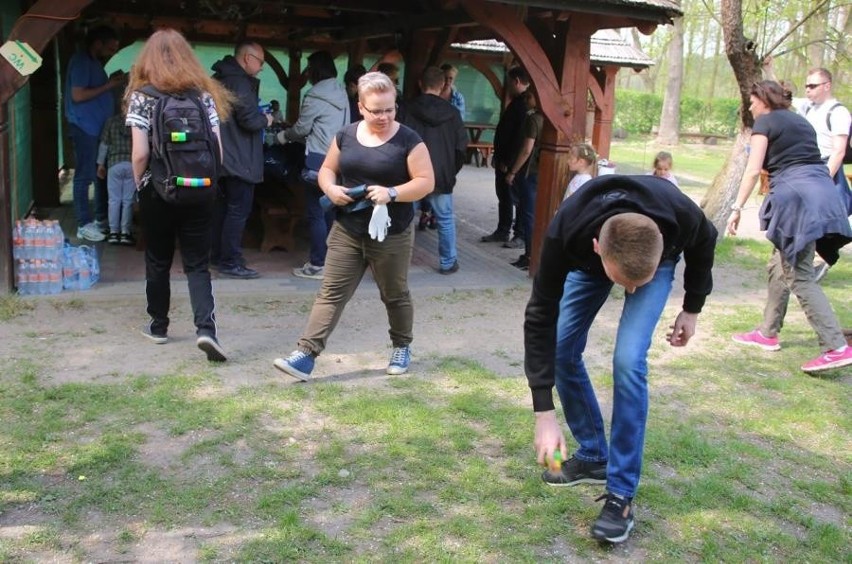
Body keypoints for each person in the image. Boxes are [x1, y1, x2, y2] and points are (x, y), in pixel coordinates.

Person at [525, 174, 717, 543]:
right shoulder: (567, 228)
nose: (630, 291)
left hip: (645, 256)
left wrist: (692, 308)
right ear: (597, 246)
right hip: (590, 261)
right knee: (561, 347)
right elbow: (539, 319)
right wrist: (544, 414)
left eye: (636, 285)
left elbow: (706, 241)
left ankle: (621, 495)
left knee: (628, 360)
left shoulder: (680, 216)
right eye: (624, 282)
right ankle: (595, 454)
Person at [273, 72, 434, 381]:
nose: (384, 116)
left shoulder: (409, 140)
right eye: (376, 110)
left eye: (390, 109)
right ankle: (305, 355)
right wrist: (331, 190)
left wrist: (393, 192)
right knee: (330, 293)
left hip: (392, 232)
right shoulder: (345, 135)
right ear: (361, 106)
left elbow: (426, 182)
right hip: (348, 229)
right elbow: (327, 170)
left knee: (395, 294)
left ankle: (402, 346)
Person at [727, 80, 852, 373]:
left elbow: (753, 170)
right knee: (779, 265)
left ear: (764, 100)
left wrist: (736, 208)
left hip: (797, 200)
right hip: (823, 194)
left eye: (752, 100)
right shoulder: (801, 121)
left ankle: (836, 347)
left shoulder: (765, 123)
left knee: (800, 275)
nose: (749, 106)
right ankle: (767, 333)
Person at [125, 28, 233, 362]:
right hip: (201, 189)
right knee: (198, 264)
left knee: (157, 259)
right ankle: (206, 330)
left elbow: (140, 153)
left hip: (158, 191)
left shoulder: (142, 95)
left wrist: (139, 183)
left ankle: (158, 325)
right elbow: (219, 152)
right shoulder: (204, 95)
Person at [276, 50, 350, 280]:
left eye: (309, 69)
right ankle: (332, 262)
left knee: (316, 213)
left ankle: (318, 264)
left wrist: (282, 137)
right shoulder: (341, 92)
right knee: (329, 213)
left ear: (315, 70)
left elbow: (302, 129)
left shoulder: (316, 95)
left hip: (318, 159)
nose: (306, 74)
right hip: (339, 157)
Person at [210, 40, 274, 279]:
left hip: (222, 156)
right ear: (247, 58)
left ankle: (217, 255)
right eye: (260, 62)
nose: (261, 68)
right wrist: (266, 120)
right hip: (239, 157)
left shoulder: (219, 78)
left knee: (221, 209)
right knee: (238, 210)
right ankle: (230, 261)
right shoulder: (239, 82)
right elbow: (249, 120)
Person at [402, 66, 468, 274]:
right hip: (441, 174)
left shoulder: (405, 109)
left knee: (404, 220)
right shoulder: (454, 113)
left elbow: (396, 142)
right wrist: (450, 171)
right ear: (442, 85)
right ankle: (448, 262)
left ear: (421, 84)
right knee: (445, 220)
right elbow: (461, 148)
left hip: (411, 173)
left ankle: (398, 264)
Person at [65, 25, 125, 242]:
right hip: (84, 127)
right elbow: (78, 95)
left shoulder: (93, 62)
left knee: (99, 174)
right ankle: (83, 224)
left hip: (95, 127)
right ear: (98, 43)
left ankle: (100, 218)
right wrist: (109, 85)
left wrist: (112, 81)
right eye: (110, 48)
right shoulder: (81, 61)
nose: (112, 52)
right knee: (84, 176)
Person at [800, 68, 851, 281]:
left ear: (827, 86)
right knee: (804, 216)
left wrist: (824, 179)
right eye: (807, 85)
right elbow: (780, 98)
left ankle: (821, 261)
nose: (808, 90)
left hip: (826, 167)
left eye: (813, 86)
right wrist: (769, 70)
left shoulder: (838, 112)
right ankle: (807, 262)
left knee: (827, 220)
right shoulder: (808, 107)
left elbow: (839, 150)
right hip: (807, 166)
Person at [482, 66, 530, 245]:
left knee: (515, 198)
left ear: (516, 81)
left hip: (512, 163)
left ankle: (518, 234)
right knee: (505, 197)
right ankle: (503, 230)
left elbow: (519, 139)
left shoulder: (523, 105)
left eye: (509, 82)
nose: (507, 86)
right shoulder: (518, 103)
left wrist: (508, 163)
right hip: (505, 160)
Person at [504, 90, 542, 271]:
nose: (527, 99)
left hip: (530, 173)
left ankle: (529, 255)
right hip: (545, 174)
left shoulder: (533, 119)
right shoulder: (548, 120)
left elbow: (527, 149)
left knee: (529, 215)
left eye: (530, 96)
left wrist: (513, 171)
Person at [96, 105, 135, 245]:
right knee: (128, 200)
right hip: (131, 164)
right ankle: (125, 232)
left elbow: (104, 144)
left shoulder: (111, 122)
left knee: (113, 200)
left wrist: (100, 164)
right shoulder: (136, 122)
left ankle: (113, 232)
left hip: (114, 164)